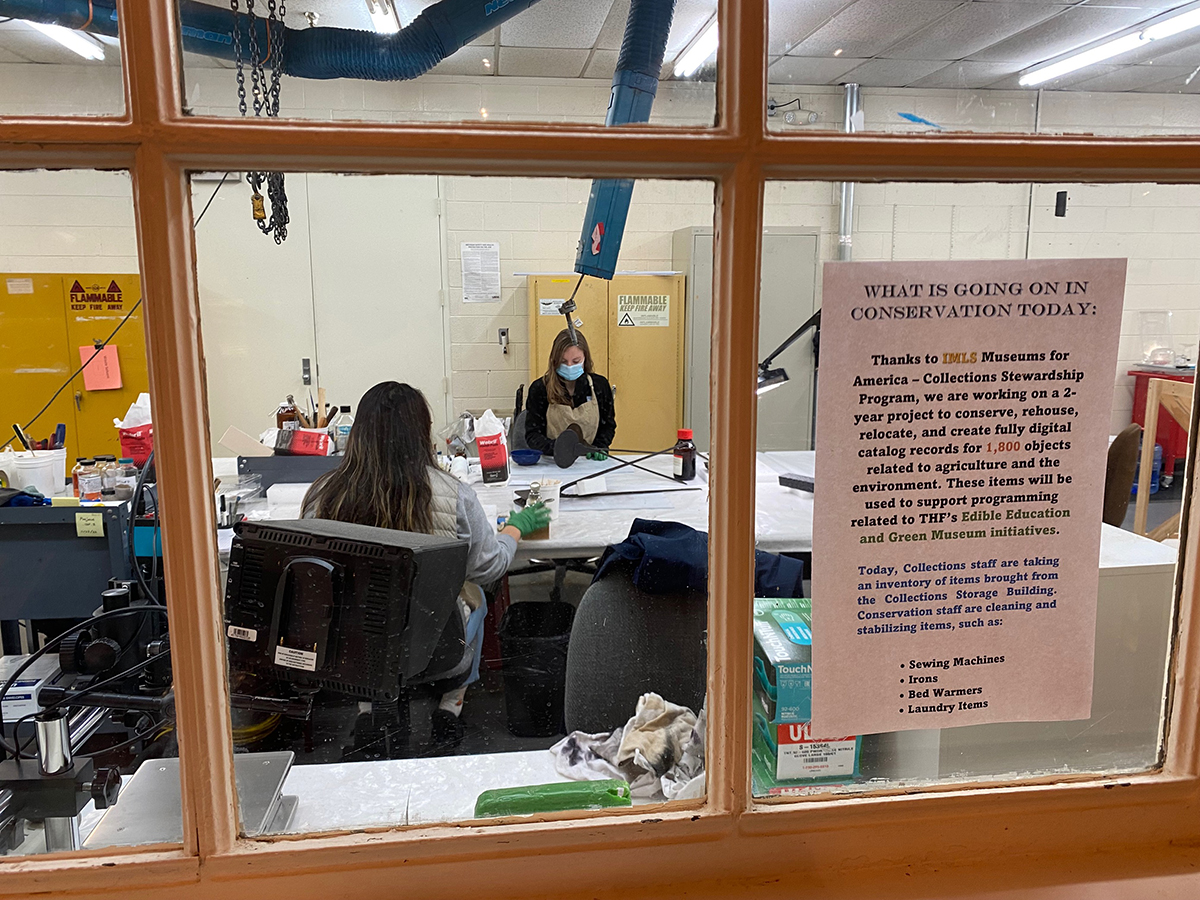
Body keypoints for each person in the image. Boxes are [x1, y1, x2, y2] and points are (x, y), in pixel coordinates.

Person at [300, 381, 550, 749]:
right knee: (477, 595)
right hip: (434, 647)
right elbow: (489, 567)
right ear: (421, 433)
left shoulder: (322, 495)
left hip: (351, 650)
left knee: (362, 613)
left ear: (358, 434)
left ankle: (367, 711)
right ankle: (450, 706)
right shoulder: (453, 494)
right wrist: (515, 529)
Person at [524, 329, 616, 460]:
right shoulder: (540, 389)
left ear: (585, 359)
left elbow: (608, 425)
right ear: (554, 360)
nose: (569, 366)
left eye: (576, 361)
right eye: (563, 361)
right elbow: (533, 434)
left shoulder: (599, 385)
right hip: (552, 461)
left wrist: (600, 446)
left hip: (589, 460)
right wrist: (560, 448)